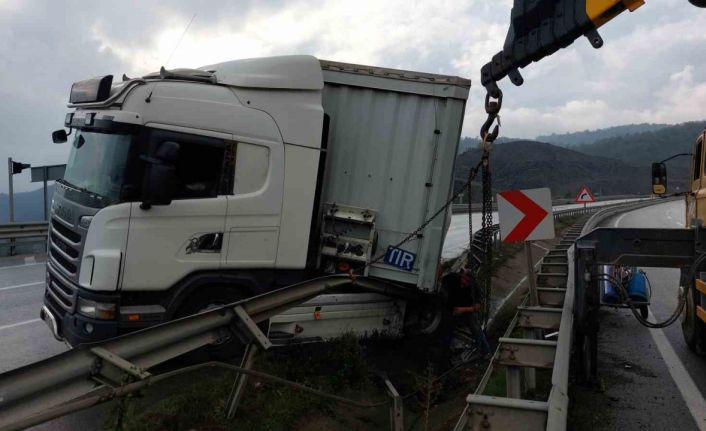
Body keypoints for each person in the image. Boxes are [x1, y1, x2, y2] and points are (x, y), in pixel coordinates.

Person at [443, 269, 492, 357]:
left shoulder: (474, 289)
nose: (464, 282)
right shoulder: (453, 278)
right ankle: (444, 348)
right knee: (447, 328)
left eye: (467, 281)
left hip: (466, 310)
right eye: (463, 279)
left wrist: (463, 310)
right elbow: (441, 279)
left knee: (475, 328)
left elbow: (477, 307)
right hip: (450, 307)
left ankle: (486, 350)